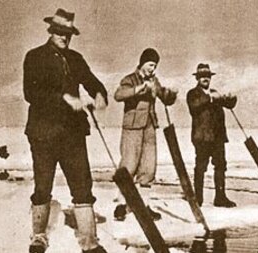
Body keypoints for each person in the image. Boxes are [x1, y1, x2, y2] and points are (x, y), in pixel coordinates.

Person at [23, 8, 108, 253]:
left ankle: (89, 243)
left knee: (82, 186)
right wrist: (64, 99)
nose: (64, 37)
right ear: (51, 31)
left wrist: (100, 95)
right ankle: (38, 237)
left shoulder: (76, 59)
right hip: (43, 133)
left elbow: (92, 82)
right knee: (42, 186)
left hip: (73, 134)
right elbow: (31, 93)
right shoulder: (34, 57)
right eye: (60, 32)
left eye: (68, 33)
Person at [113, 48, 177, 221]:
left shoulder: (154, 81)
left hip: (149, 128)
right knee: (128, 166)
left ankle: (145, 205)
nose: (152, 69)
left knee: (149, 168)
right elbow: (118, 95)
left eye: (155, 66)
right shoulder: (129, 79)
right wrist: (140, 88)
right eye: (150, 64)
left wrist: (171, 95)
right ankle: (121, 204)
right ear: (142, 63)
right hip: (132, 128)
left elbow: (164, 97)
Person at [186, 63, 237, 208]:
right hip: (202, 138)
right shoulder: (193, 94)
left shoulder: (215, 92)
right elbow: (194, 107)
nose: (205, 79)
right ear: (197, 78)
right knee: (201, 167)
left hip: (218, 137)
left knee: (220, 166)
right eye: (202, 76)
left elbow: (229, 105)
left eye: (207, 76)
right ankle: (198, 199)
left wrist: (231, 98)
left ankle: (220, 198)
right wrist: (211, 98)